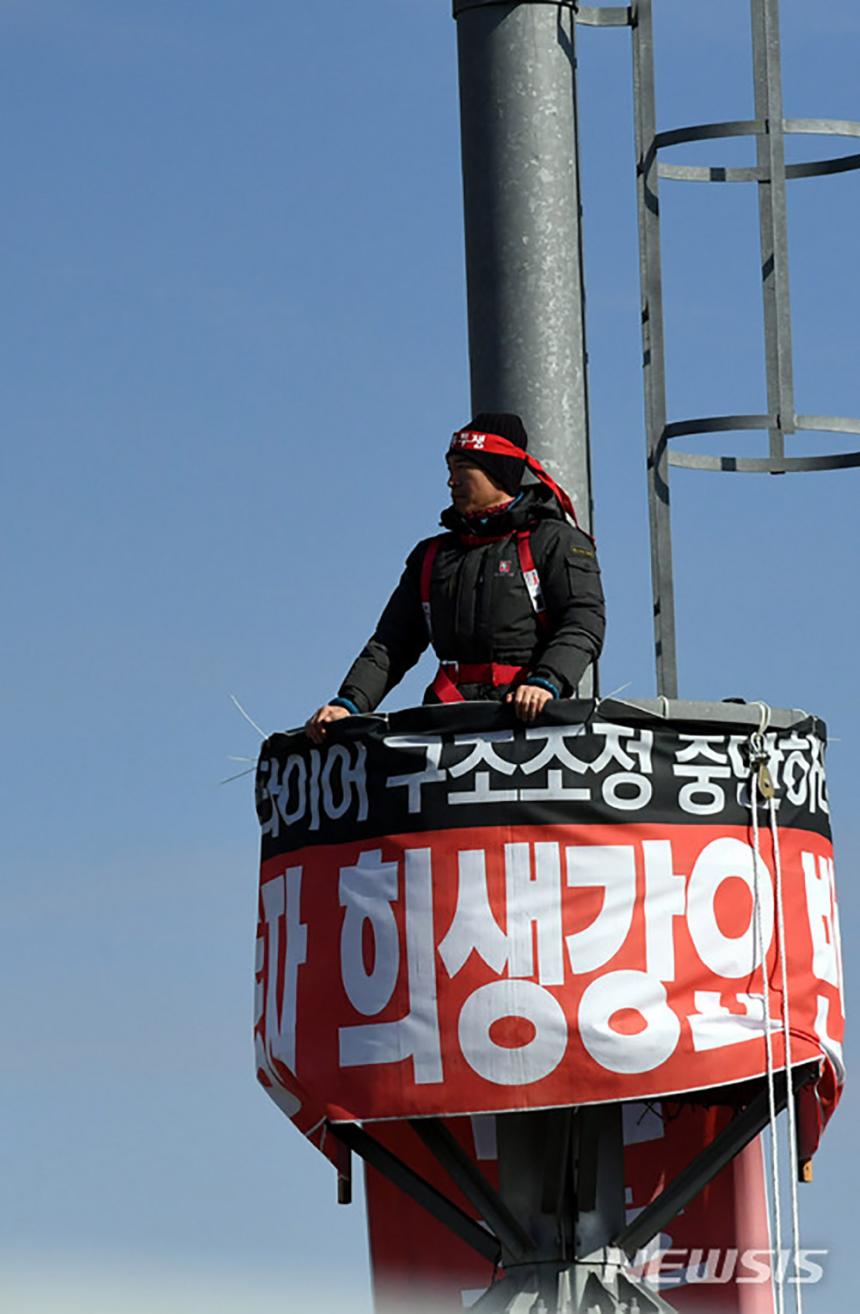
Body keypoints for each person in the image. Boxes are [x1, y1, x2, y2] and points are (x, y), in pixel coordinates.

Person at [306, 413, 605, 742]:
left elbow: (583, 622)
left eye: (462, 470)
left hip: (530, 728)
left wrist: (545, 682)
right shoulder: (431, 557)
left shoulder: (556, 542)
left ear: (497, 471)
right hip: (446, 725)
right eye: (450, 471)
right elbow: (392, 644)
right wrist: (349, 704)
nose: (451, 482)